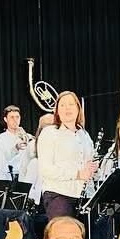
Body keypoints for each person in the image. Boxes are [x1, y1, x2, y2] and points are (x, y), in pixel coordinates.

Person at [37, 91, 98, 220]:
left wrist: (94, 169)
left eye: (71, 104)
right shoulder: (50, 133)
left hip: (86, 196)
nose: (67, 108)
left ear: (78, 108)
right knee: (63, 236)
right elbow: (45, 169)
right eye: (63, 105)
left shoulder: (84, 135)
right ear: (57, 111)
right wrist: (77, 174)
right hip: (59, 194)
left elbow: (88, 165)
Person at [0, 104, 32, 179]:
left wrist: (27, 138)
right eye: (12, 117)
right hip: (10, 176)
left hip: (27, 176)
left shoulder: (29, 137)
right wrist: (15, 148)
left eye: (17, 117)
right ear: (5, 119)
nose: (15, 120)